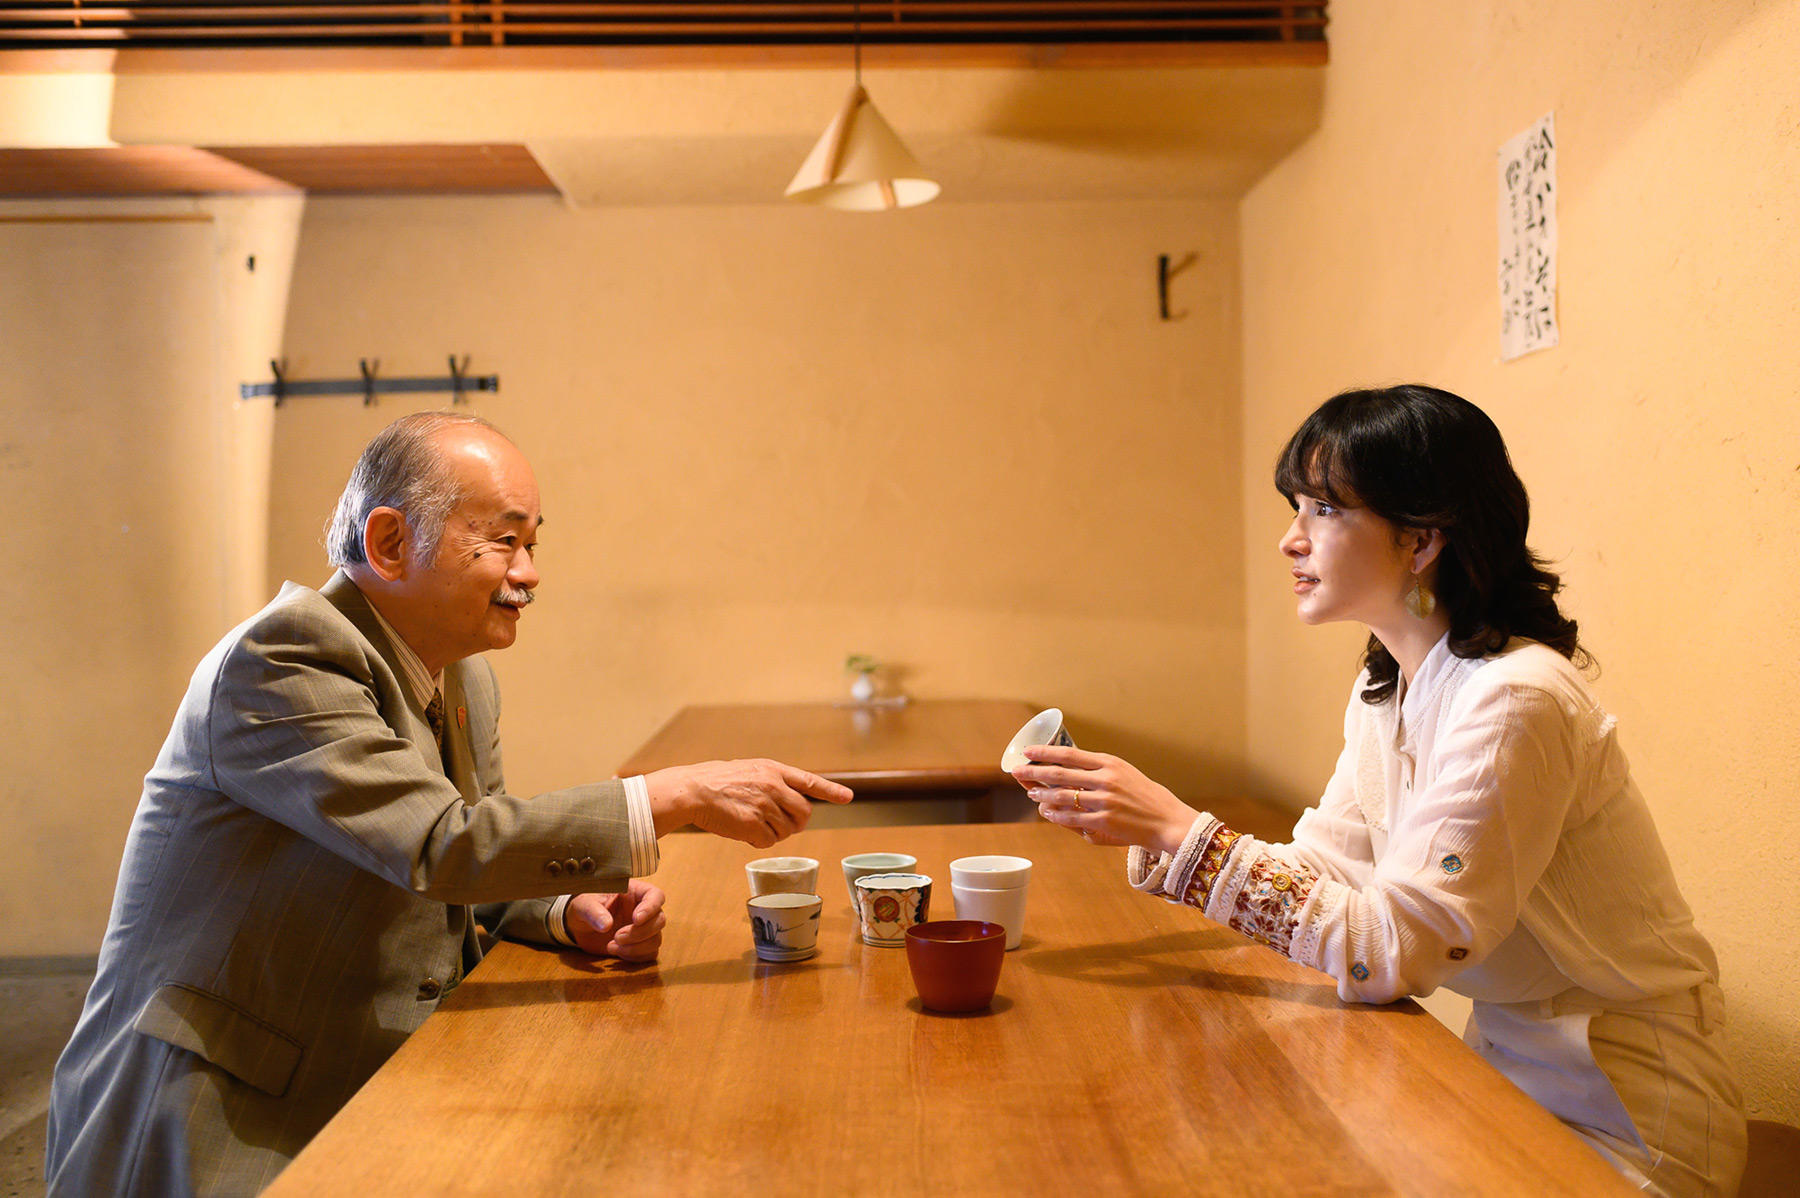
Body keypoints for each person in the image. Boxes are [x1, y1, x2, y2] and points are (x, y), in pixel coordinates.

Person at [45, 411, 853, 1195]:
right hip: (227, 1101)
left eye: (533, 542)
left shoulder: (462, 673)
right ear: (391, 543)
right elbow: (441, 845)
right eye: (504, 540)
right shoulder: (282, 657)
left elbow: (473, 870)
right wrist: (675, 794)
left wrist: (572, 912)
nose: (530, 573)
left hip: (374, 1066)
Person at [1013, 385, 1745, 1197]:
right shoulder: (1388, 688)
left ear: (1421, 539)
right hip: (1501, 1082)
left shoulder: (1516, 700)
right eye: (1296, 506)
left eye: (1323, 509)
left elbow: (1395, 946)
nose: (1291, 540)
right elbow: (1330, 872)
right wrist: (1154, 829)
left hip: (1624, 1116)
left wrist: (1182, 829)